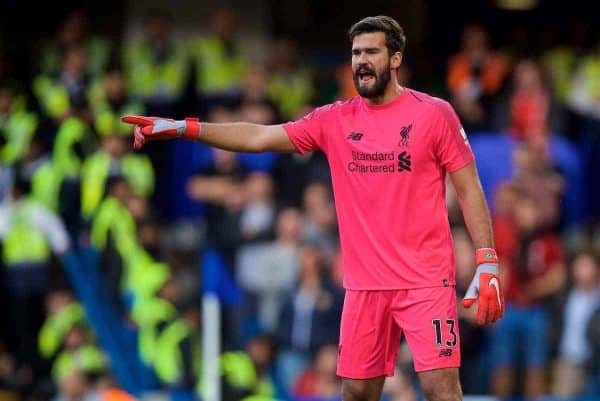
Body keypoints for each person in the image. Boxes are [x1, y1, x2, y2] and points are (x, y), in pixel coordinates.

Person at [122, 15, 504, 401]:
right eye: (356, 53)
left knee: (440, 387)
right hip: (364, 284)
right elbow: (258, 136)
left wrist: (487, 260)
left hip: (425, 280)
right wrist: (185, 127)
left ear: (395, 59)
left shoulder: (434, 114)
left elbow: (469, 188)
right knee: (356, 392)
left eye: (371, 51)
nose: (361, 61)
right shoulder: (335, 119)